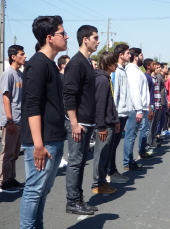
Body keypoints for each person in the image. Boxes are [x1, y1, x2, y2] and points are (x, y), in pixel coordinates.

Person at [20, 15, 68, 228]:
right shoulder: (37, 64)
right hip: (42, 142)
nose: (66, 37)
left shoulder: (50, 64)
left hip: (54, 138)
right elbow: (32, 105)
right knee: (34, 190)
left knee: (43, 191)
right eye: (62, 33)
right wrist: (38, 144)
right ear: (49, 37)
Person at [63, 25, 100, 215]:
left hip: (87, 122)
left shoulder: (86, 62)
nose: (98, 41)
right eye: (95, 37)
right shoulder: (76, 63)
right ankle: (72, 202)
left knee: (80, 162)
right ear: (85, 39)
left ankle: (79, 199)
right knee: (75, 163)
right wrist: (74, 123)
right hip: (78, 123)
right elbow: (69, 95)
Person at [92, 52, 120, 194]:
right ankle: (98, 184)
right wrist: (101, 126)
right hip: (104, 125)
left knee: (106, 155)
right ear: (108, 63)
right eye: (114, 62)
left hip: (110, 122)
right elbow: (100, 105)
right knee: (101, 155)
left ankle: (102, 182)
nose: (117, 64)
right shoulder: (102, 80)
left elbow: (110, 103)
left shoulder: (106, 78)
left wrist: (115, 119)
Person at [0, 45, 26, 192]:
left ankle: (11, 178)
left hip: (19, 119)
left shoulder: (20, 74)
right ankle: (3, 180)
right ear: (13, 57)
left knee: (15, 152)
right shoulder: (8, 74)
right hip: (11, 120)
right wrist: (9, 121)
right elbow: (5, 98)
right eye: (22, 54)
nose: (25, 56)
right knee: (8, 151)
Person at [123, 47, 152, 171]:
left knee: (132, 135)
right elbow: (135, 92)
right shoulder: (132, 71)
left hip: (138, 108)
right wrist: (139, 110)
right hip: (135, 109)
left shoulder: (136, 70)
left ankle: (129, 161)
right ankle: (128, 162)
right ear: (136, 57)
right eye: (141, 55)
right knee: (130, 135)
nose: (142, 58)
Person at [107, 44, 132, 183]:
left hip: (123, 113)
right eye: (127, 53)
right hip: (118, 114)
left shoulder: (123, 70)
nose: (129, 56)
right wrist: (115, 116)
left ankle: (113, 170)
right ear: (120, 54)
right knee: (112, 145)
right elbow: (114, 94)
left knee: (115, 145)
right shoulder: (116, 70)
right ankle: (110, 173)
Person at [144, 59, 161, 154]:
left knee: (151, 128)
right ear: (148, 66)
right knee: (147, 129)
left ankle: (149, 145)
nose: (155, 66)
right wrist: (149, 108)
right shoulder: (146, 77)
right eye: (153, 64)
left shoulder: (151, 77)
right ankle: (147, 148)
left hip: (154, 105)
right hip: (150, 105)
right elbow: (146, 94)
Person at [57, 54, 70, 168]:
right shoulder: (59, 77)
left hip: (67, 110)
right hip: (61, 110)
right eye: (68, 63)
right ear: (63, 65)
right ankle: (60, 159)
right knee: (60, 135)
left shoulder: (67, 77)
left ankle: (64, 157)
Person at [157, 62, 170, 137]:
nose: (167, 69)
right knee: (159, 121)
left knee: (162, 120)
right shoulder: (159, 77)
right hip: (160, 103)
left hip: (164, 102)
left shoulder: (162, 77)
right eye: (166, 67)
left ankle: (158, 135)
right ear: (162, 69)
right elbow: (157, 91)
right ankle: (156, 136)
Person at [162, 67, 170, 135]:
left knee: (169, 115)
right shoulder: (168, 80)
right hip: (169, 101)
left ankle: (166, 129)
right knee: (166, 116)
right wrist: (168, 100)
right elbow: (165, 91)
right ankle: (164, 129)